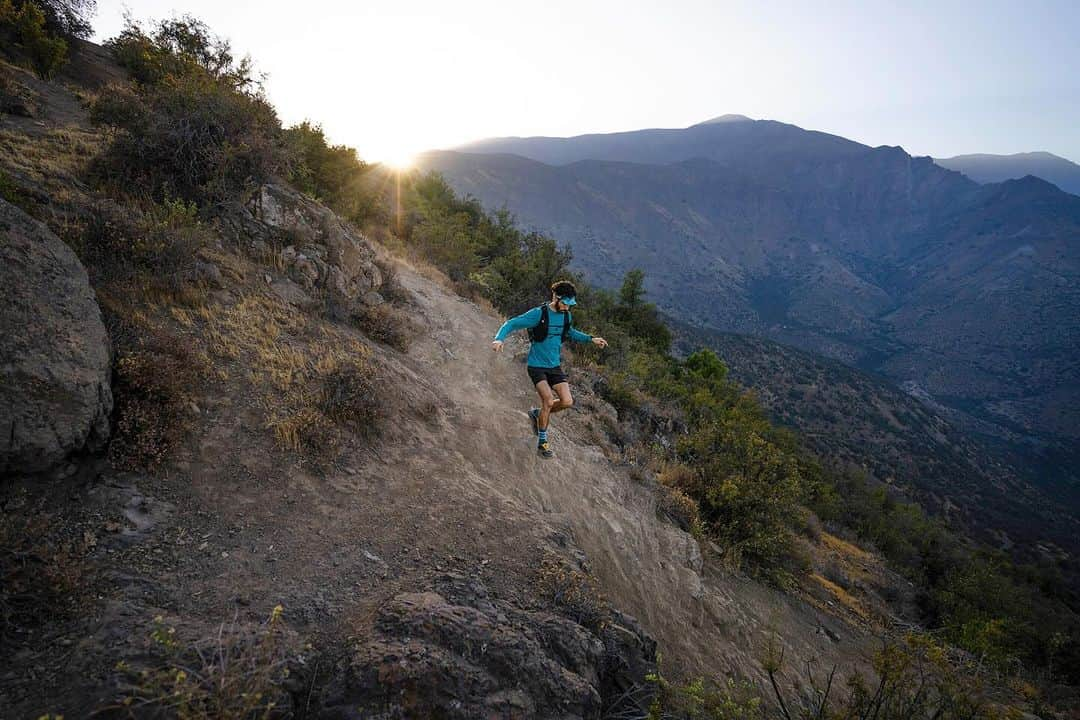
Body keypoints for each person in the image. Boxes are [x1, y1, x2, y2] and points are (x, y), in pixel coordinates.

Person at [492, 280, 608, 458]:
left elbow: (570, 332)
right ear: (556, 297)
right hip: (537, 365)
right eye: (565, 303)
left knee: (567, 401)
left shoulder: (566, 316)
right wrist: (499, 338)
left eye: (570, 305)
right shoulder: (539, 313)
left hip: (554, 366)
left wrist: (591, 339)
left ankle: (537, 414)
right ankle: (543, 442)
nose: (567, 308)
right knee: (547, 400)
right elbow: (512, 323)